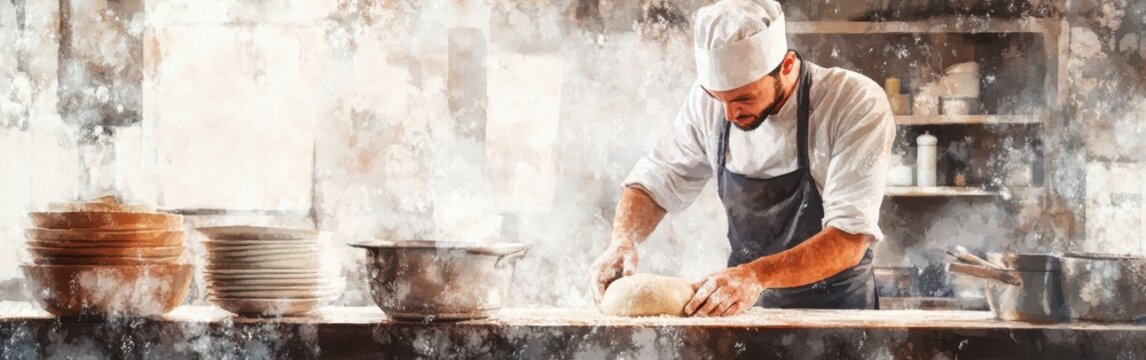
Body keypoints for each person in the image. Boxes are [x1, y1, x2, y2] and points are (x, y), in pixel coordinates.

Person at [590, 0, 895, 316]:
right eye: (717, 98)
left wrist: (755, 276)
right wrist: (623, 240)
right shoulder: (710, 103)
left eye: (743, 98)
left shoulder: (851, 102)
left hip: (836, 313)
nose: (729, 114)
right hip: (745, 309)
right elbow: (659, 176)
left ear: (786, 66)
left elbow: (849, 238)